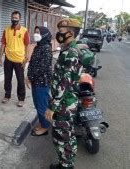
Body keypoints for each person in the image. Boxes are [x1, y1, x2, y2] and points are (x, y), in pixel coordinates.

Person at [45, 18, 83, 169]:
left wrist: (52, 106)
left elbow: (64, 84)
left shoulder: (71, 53)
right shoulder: (67, 50)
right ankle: (65, 163)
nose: (58, 34)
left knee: (63, 137)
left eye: (61, 31)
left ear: (70, 33)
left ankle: (66, 165)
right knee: (63, 135)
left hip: (64, 104)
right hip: (63, 102)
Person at [0, 10, 30, 107]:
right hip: (8, 59)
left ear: (19, 19)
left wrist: (26, 58)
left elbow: (27, 45)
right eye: (13, 17)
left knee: (20, 80)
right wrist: (0, 57)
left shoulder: (24, 30)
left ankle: (21, 98)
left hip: (20, 60)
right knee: (7, 79)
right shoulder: (6, 30)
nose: (14, 19)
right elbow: (3, 44)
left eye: (16, 18)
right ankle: (7, 96)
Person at [26, 26, 52, 136]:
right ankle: (42, 124)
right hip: (35, 81)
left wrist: (30, 77)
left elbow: (42, 68)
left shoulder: (46, 48)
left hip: (42, 82)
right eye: (35, 32)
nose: (35, 34)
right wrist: (28, 76)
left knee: (42, 105)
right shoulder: (38, 47)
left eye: (38, 32)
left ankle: (45, 127)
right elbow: (32, 63)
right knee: (37, 104)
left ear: (44, 35)